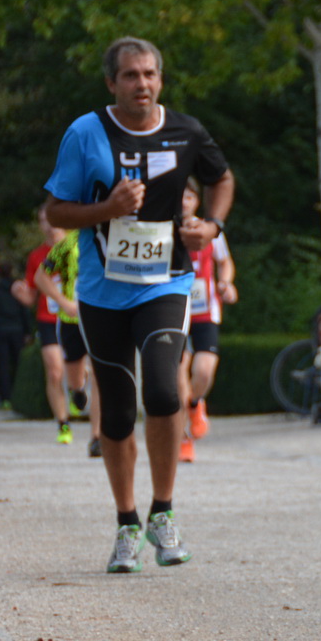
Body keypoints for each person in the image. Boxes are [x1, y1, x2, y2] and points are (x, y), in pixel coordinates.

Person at [44, 36, 234, 574]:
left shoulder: (186, 131)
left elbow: (222, 179)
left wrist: (211, 225)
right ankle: (127, 522)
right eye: (130, 75)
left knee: (163, 390)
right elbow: (57, 209)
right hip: (102, 290)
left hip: (165, 281)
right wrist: (107, 207)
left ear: (161, 79)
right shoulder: (86, 133)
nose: (142, 84)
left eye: (150, 74)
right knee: (120, 411)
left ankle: (163, 512)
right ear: (112, 83)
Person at [178, 182, 236, 462]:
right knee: (177, 376)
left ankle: (195, 403)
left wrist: (225, 283)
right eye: (179, 196)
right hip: (174, 311)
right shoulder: (164, 230)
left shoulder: (209, 231)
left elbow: (225, 262)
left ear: (197, 201)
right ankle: (183, 440)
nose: (183, 202)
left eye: (189, 197)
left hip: (205, 310)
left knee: (203, 372)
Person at [19, 207, 84, 444]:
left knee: (78, 369)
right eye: (43, 221)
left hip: (79, 318)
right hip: (49, 319)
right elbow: (31, 295)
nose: (49, 225)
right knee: (55, 370)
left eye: (52, 220)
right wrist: (19, 292)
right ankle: (63, 423)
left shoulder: (79, 244)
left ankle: (77, 390)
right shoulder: (37, 256)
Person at [36, 223, 101, 456]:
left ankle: (97, 437)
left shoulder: (114, 238)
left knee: (101, 377)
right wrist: (63, 303)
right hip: (71, 319)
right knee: (73, 377)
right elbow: (40, 276)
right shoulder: (67, 243)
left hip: (102, 317)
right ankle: (78, 390)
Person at [0, 259, 33, 408]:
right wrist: (28, 331)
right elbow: (25, 310)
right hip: (17, 330)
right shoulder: (17, 288)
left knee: (2, 364)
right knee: (18, 363)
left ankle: (5, 398)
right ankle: (20, 395)